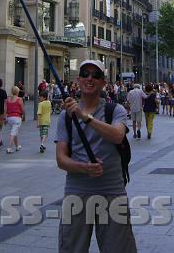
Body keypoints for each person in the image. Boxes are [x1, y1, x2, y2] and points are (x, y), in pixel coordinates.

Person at [55, 59, 136, 253]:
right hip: (76, 192)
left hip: (112, 192)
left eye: (96, 75)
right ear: (78, 80)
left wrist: (84, 116)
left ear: (103, 83)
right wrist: (84, 167)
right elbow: (61, 159)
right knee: (71, 248)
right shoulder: (65, 116)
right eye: (85, 74)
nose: (89, 78)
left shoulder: (115, 110)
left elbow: (117, 136)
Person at [6, 86, 25, 153]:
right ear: (18, 92)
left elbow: (6, 109)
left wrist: (5, 117)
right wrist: (23, 116)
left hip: (9, 117)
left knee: (14, 131)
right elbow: (22, 109)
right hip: (17, 117)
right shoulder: (19, 99)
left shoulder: (8, 99)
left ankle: (17, 146)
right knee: (13, 132)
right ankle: (9, 148)